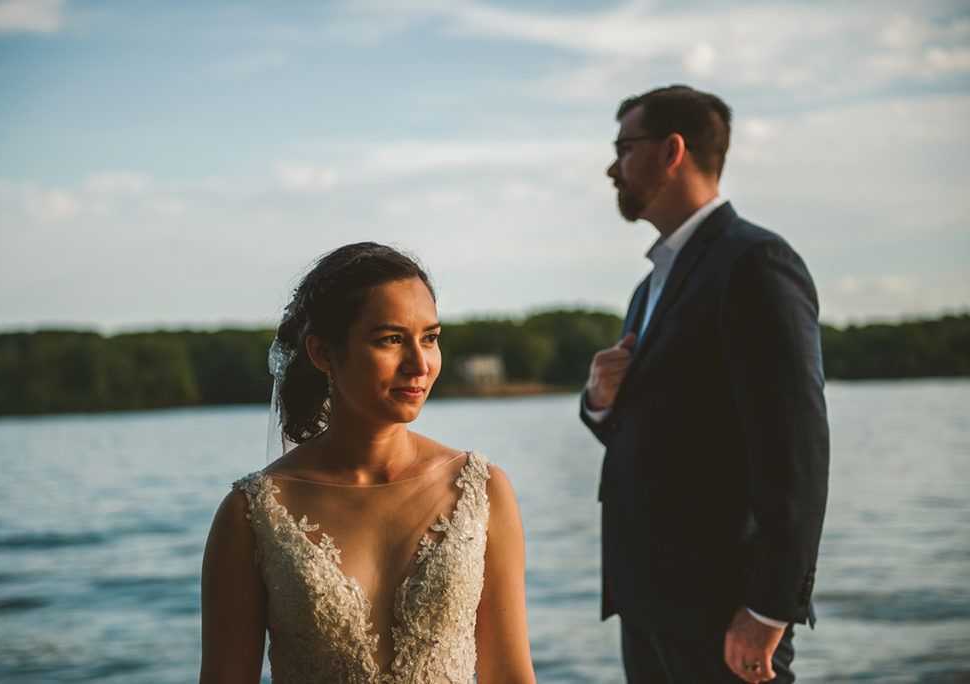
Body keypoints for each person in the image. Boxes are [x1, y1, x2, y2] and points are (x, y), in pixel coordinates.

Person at [580, 85, 829, 683]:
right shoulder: (649, 286)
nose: (613, 168)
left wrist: (770, 608)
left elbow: (796, 450)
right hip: (649, 608)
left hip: (723, 613)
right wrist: (598, 402)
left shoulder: (755, 261)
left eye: (625, 148)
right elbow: (662, 430)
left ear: (672, 151)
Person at [200, 242, 536, 683]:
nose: (419, 364)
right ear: (323, 353)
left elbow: (511, 675)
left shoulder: (481, 489)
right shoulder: (252, 515)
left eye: (430, 338)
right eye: (390, 340)